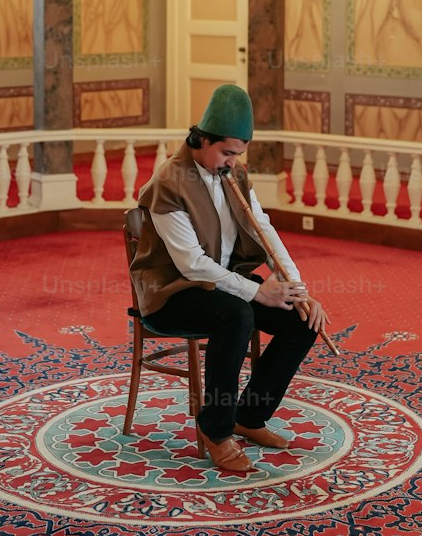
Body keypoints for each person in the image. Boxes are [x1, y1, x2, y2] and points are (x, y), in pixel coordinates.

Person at [129, 84, 328, 475]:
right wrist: (258, 290)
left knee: (301, 321)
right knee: (237, 315)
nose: (232, 162)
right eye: (226, 153)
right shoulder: (169, 182)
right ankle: (216, 431)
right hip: (172, 293)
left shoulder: (233, 172)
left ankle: (249, 416)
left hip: (225, 284)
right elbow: (191, 265)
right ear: (201, 140)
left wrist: (296, 289)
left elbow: (264, 229)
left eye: (238, 154)